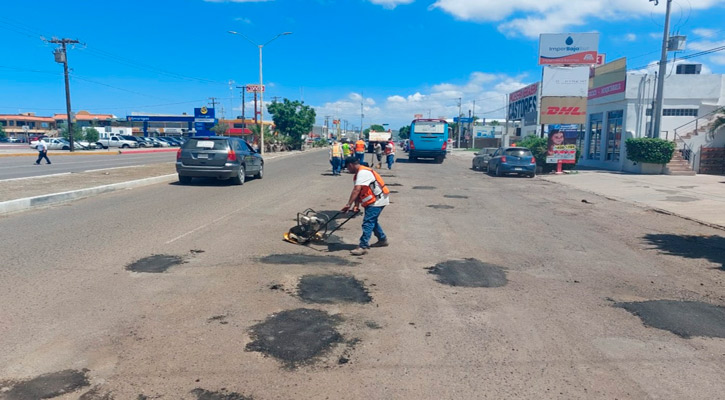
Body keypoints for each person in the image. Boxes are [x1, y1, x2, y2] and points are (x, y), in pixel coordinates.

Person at [341, 156, 390, 256]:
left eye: (347, 167)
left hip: (377, 200)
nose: (348, 170)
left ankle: (363, 246)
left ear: (350, 165)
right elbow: (359, 192)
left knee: (368, 222)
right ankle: (382, 239)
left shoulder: (363, 173)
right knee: (373, 221)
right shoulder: (358, 174)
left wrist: (348, 204)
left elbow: (356, 190)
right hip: (373, 200)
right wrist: (356, 205)